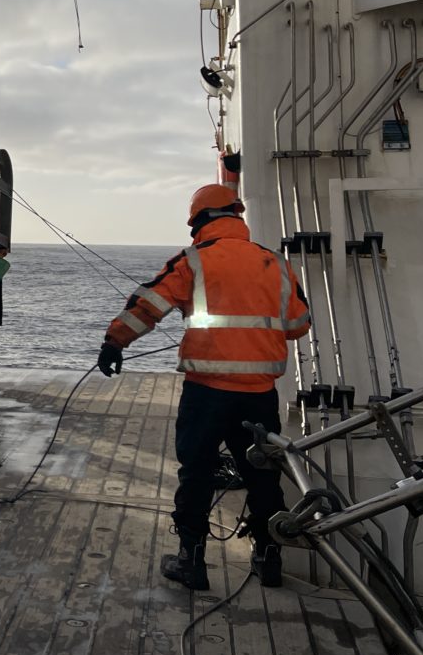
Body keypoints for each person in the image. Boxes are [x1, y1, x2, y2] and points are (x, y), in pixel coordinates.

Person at [96, 184, 310, 590]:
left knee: (196, 472)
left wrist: (114, 342)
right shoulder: (274, 263)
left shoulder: (194, 260)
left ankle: (191, 560)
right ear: (236, 216)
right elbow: (299, 325)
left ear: (198, 221)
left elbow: (149, 306)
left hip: (207, 393)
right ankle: (269, 558)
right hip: (259, 394)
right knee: (262, 474)